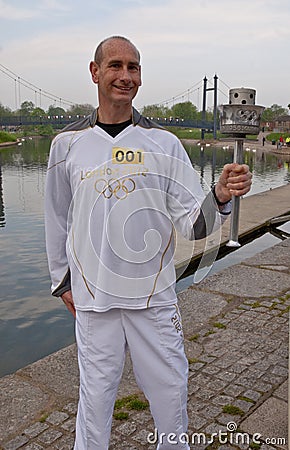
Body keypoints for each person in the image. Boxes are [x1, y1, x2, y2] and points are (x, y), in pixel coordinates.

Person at [45, 36, 252, 449]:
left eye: (133, 67)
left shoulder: (164, 144)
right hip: (94, 300)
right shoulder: (66, 145)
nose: (125, 76)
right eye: (116, 66)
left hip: (153, 296)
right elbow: (57, 218)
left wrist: (221, 196)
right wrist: (61, 281)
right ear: (95, 72)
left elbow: (194, 225)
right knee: (96, 399)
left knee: (170, 391)